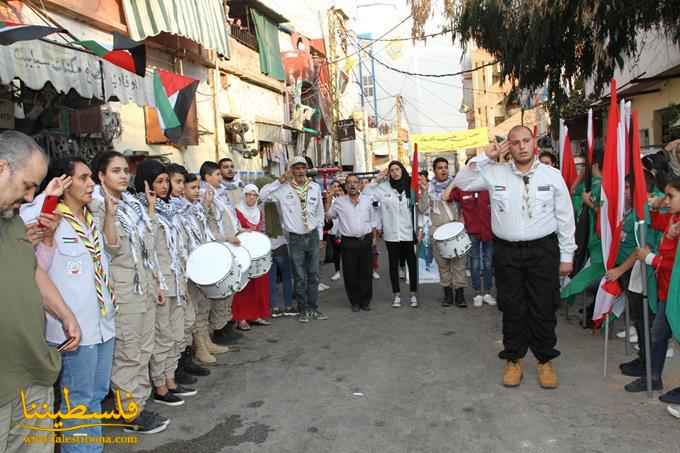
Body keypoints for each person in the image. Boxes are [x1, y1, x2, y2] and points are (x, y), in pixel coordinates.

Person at [454, 125, 576, 390]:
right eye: (515, 142)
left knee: (543, 307)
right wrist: (487, 157)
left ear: (534, 144)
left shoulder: (552, 176)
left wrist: (567, 255)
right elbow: (461, 183)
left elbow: (566, 218)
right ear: (508, 146)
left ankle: (545, 360)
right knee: (511, 307)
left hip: (543, 250)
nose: (521, 146)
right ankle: (514, 360)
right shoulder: (493, 173)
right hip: (507, 251)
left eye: (526, 141)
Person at [1, 131, 81, 453]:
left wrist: (64, 313)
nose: (31, 196)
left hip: (33, 371)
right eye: (28, 185)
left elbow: (31, 270)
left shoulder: (12, 219)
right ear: (2, 168)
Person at [42, 157, 117, 452]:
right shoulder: (49, 218)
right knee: (79, 400)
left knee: (96, 394)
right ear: (64, 182)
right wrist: (49, 197)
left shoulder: (89, 219)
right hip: (74, 329)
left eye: (91, 178)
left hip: (103, 325)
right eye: (84, 178)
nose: (91, 184)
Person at [91, 150, 168, 434]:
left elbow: (148, 245)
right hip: (124, 291)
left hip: (144, 285)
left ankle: (139, 403)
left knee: (144, 349)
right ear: (101, 176)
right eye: (116, 171)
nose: (124, 175)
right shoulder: (98, 206)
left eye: (126, 170)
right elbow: (111, 247)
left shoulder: (132, 205)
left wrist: (157, 282)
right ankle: (129, 413)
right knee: (129, 353)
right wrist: (110, 215)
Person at [133, 161, 197, 408]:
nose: (164, 186)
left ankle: (170, 378)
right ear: (145, 182)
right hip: (160, 283)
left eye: (165, 181)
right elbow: (145, 249)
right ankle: (160, 385)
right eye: (158, 181)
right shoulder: (138, 209)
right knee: (162, 335)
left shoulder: (171, 208)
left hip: (178, 280)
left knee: (176, 332)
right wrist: (149, 210)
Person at [623, 178, 679, 393]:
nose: (666, 200)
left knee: (663, 335)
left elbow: (676, 264)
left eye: (671, 196)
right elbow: (655, 223)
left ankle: (653, 377)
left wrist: (649, 259)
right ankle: (652, 377)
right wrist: (653, 207)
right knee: (658, 335)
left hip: (675, 289)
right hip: (667, 290)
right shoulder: (673, 217)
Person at [260, 156, 327, 323]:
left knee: (314, 275)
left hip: (312, 235)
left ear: (306, 169)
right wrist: (279, 181)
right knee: (299, 276)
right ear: (291, 170)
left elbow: (320, 213)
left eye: (302, 168)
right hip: (295, 238)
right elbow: (262, 195)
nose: (299, 171)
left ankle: (314, 308)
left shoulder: (314, 187)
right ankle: (303, 309)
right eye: (295, 168)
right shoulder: (282, 189)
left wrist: (320, 236)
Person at [166, 164, 211, 382]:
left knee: (190, 316)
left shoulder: (185, 208)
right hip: (174, 274)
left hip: (189, 268)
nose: (178, 187)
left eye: (178, 182)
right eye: (177, 182)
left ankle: (189, 357)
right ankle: (175, 369)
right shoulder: (166, 210)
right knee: (178, 323)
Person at [198, 161, 240, 355]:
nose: (220, 177)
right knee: (214, 296)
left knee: (225, 292)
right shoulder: (204, 196)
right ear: (206, 177)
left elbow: (228, 218)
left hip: (228, 245)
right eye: (216, 174)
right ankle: (211, 334)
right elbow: (209, 226)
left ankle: (219, 329)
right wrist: (225, 238)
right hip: (218, 247)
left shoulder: (219, 193)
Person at [366, 161, 418, 308]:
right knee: (393, 265)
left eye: (397, 169)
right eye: (392, 170)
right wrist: (377, 179)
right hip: (391, 234)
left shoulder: (411, 187)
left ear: (402, 170)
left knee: (412, 264)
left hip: (408, 233)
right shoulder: (383, 188)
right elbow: (366, 194)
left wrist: (419, 230)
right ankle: (397, 295)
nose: (395, 172)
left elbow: (419, 211)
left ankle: (413, 294)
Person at [418, 157, 468, 308]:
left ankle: (460, 295)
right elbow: (422, 209)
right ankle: (448, 294)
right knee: (443, 265)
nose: (443, 170)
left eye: (445, 167)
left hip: (455, 230)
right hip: (437, 232)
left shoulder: (456, 186)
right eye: (440, 167)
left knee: (459, 265)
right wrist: (425, 192)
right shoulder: (429, 188)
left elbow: (464, 207)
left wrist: (462, 223)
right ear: (434, 170)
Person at [444, 165, 496, 308]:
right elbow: (446, 196)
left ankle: (487, 292)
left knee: (488, 263)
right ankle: (478, 293)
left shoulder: (488, 186)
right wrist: (456, 181)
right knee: (475, 262)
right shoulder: (463, 188)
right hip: (472, 232)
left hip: (489, 231)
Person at [325, 174, 377, 312]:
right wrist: (328, 201)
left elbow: (373, 220)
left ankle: (365, 301)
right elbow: (329, 216)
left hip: (365, 239)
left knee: (366, 272)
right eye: (349, 183)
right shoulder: (339, 202)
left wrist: (374, 238)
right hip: (348, 242)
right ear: (346, 186)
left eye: (355, 182)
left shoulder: (367, 200)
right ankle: (354, 301)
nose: (352, 185)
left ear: (360, 185)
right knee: (350, 273)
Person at [232, 184, 272, 330]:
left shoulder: (258, 211)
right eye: (249, 194)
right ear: (244, 195)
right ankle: (241, 317)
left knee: (259, 283)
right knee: (243, 285)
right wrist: (245, 231)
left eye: (254, 195)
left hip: (257, 252)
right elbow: (233, 228)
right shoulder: (236, 210)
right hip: (242, 252)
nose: (251, 197)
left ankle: (256, 315)